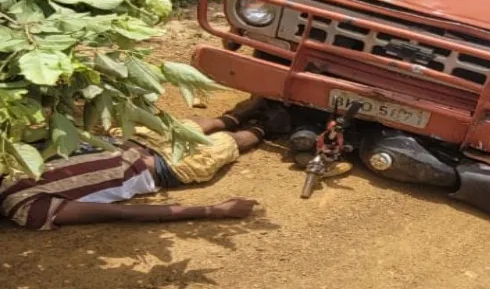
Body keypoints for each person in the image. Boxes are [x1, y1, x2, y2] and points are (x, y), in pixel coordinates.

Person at [0, 96, 289, 230]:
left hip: (127, 141)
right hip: (161, 165)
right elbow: (122, 214)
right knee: (230, 143)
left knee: (190, 125)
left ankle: (241, 112)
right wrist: (215, 211)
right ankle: (266, 128)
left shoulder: (6, 161)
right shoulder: (25, 207)